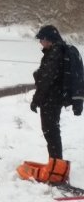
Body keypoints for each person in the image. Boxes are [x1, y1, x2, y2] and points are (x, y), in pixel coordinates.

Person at [30, 25, 66, 161]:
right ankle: (55, 163)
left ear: (48, 39)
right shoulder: (56, 51)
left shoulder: (55, 54)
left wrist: (36, 100)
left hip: (51, 98)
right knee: (51, 131)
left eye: (41, 39)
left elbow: (46, 80)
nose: (40, 43)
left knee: (50, 131)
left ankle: (57, 165)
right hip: (53, 97)